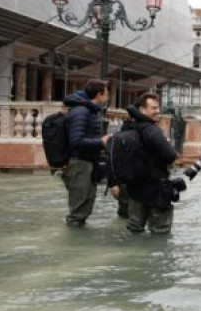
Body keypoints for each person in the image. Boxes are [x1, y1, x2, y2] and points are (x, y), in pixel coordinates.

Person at [124, 93, 179, 234]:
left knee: (134, 230)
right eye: (153, 108)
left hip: (134, 188)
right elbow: (171, 156)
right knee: (160, 233)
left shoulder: (128, 127)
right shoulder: (152, 131)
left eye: (158, 107)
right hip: (156, 189)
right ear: (142, 110)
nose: (158, 111)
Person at [62, 78, 111, 227]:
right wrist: (101, 142)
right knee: (78, 211)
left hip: (87, 164)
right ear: (99, 95)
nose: (108, 97)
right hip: (79, 164)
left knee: (85, 206)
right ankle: (72, 247)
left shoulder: (88, 111)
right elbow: (76, 141)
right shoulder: (81, 111)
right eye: (106, 93)